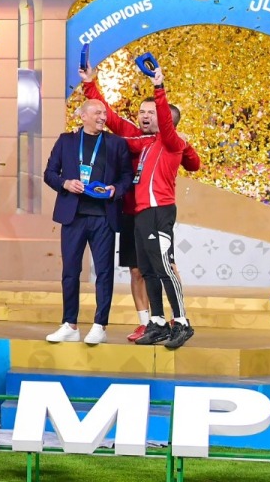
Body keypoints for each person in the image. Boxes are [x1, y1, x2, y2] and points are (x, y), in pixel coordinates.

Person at [80, 63, 200, 344]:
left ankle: (181, 321)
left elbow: (192, 161)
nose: (148, 117)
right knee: (145, 270)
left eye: (154, 113)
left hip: (159, 210)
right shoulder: (139, 140)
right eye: (143, 112)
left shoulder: (171, 141)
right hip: (137, 212)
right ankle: (155, 321)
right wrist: (89, 85)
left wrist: (159, 86)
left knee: (164, 267)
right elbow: (110, 118)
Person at [42, 99, 133, 345]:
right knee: (70, 271)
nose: (103, 117)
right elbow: (49, 173)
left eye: (104, 113)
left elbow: (127, 176)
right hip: (73, 215)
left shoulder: (116, 144)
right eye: (97, 113)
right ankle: (69, 324)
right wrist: (65, 183)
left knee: (104, 273)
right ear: (82, 116)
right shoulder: (66, 140)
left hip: (104, 216)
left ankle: (99, 324)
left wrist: (116, 189)